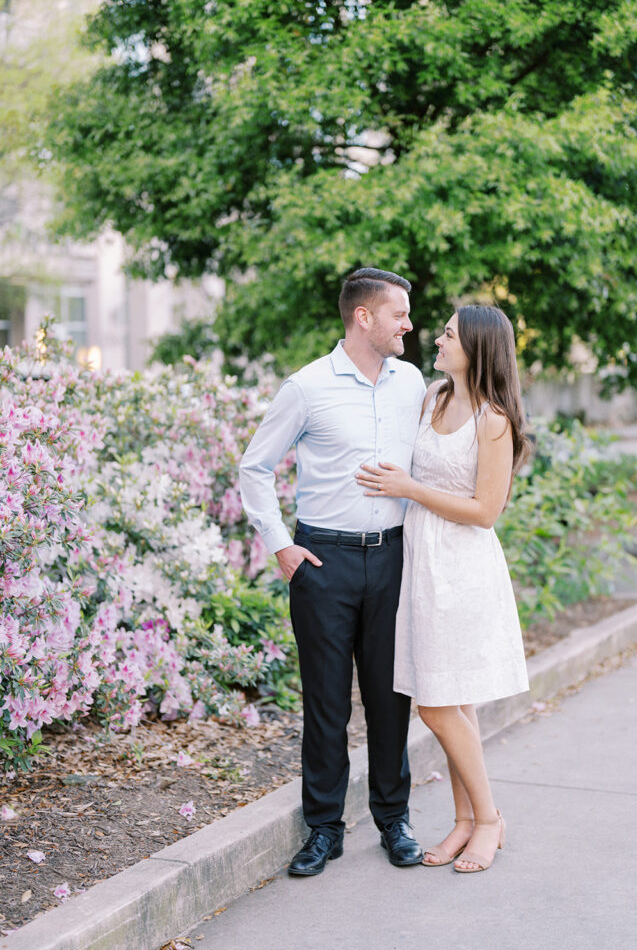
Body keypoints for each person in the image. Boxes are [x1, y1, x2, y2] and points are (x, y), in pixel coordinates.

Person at [239, 268, 426, 877]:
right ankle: (323, 829)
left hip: (394, 556)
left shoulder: (413, 382)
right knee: (326, 703)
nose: (409, 324)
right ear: (363, 317)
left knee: (390, 698)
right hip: (323, 562)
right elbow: (254, 467)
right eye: (398, 314)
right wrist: (282, 546)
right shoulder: (306, 387)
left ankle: (393, 821)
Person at [356, 303, 530, 874]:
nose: (438, 338)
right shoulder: (433, 396)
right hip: (422, 565)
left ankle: (489, 820)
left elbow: (485, 511)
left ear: (476, 348)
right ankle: (462, 821)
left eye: (449, 334)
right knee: (453, 699)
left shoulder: (493, 418)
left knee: (434, 702)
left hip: (463, 570)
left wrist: (411, 488)